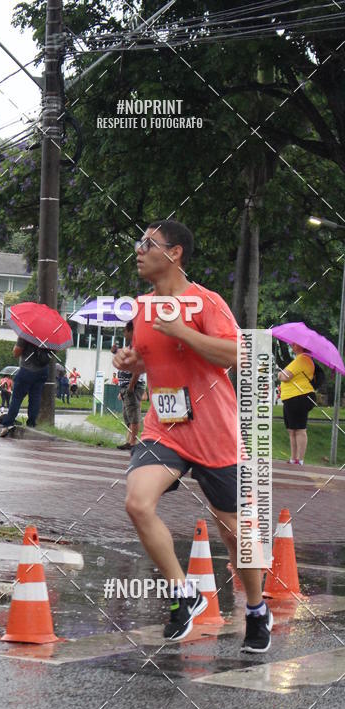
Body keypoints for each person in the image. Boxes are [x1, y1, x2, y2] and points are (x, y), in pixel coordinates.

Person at [114, 219, 270, 653]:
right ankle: (184, 593)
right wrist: (131, 361)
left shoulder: (206, 301)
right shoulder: (143, 307)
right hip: (165, 426)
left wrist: (183, 331)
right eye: (139, 243)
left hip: (214, 431)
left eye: (148, 243)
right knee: (137, 502)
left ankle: (256, 608)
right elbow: (152, 357)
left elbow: (240, 353)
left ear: (175, 252)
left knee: (234, 532)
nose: (139, 250)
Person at [0, 338, 51, 437]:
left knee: (17, 398)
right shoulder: (50, 334)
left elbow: (16, 353)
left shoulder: (27, 333)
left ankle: (8, 424)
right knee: (35, 398)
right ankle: (31, 423)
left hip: (27, 369)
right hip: (42, 371)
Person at [277, 341, 315, 466]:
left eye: (295, 344)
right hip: (291, 398)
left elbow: (285, 376)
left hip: (299, 397)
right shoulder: (299, 359)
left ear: (302, 346)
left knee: (299, 429)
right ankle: (294, 458)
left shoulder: (302, 359)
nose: (292, 345)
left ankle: (300, 459)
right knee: (291, 430)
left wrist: (280, 374)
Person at [113, 320, 146, 451]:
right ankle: (130, 440)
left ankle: (132, 442)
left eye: (125, 331)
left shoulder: (137, 347)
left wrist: (131, 386)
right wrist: (116, 351)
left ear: (131, 331)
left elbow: (137, 369)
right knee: (127, 415)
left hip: (132, 386)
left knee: (133, 414)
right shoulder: (130, 346)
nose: (124, 333)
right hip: (126, 386)